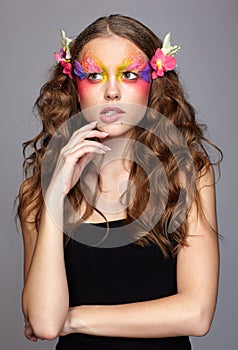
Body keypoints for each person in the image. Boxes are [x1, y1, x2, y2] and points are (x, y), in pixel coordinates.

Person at [17, 14, 222, 350]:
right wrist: (54, 195)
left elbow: (196, 314)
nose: (112, 92)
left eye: (128, 75)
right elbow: (43, 321)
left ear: (153, 83)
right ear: (75, 87)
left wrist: (75, 318)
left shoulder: (187, 175)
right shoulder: (37, 194)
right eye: (94, 76)